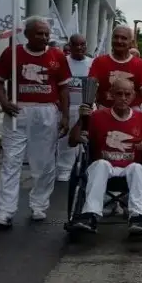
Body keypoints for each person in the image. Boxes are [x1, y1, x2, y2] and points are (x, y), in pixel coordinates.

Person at [0, 17, 72, 227]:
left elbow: (64, 88)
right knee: (11, 161)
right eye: (39, 33)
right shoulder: (13, 53)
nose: (44, 37)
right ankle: (5, 211)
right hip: (19, 112)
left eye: (46, 34)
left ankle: (39, 204)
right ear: (27, 34)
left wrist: (65, 116)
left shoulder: (57, 56)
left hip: (46, 113)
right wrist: (4, 102)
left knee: (44, 163)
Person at [67, 78, 142, 234]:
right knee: (101, 165)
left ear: (133, 96)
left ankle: (137, 217)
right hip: (105, 167)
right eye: (119, 94)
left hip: (130, 169)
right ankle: (90, 215)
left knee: (137, 168)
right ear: (111, 94)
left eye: (127, 94)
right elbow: (72, 142)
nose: (123, 98)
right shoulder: (97, 116)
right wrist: (81, 119)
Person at [88, 25, 142, 115]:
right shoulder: (99, 61)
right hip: (105, 111)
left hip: (132, 114)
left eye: (124, 38)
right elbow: (91, 88)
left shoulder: (141, 65)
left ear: (131, 42)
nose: (119, 41)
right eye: (116, 37)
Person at [56, 34, 93, 182]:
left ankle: (83, 168)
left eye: (82, 44)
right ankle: (64, 170)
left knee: (83, 139)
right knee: (64, 140)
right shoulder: (62, 62)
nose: (79, 48)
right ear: (70, 46)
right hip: (66, 108)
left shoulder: (93, 63)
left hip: (86, 107)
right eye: (76, 45)